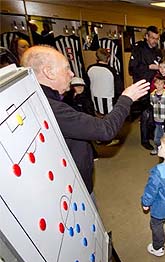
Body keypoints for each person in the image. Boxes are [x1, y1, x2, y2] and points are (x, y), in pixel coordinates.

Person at [22, 46, 149, 199]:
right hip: (73, 188)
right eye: (67, 68)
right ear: (49, 72)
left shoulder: (40, 99)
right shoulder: (51, 108)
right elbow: (105, 130)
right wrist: (126, 98)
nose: (72, 74)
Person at [128, 25, 161, 150]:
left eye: (156, 39)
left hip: (155, 86)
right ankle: (144, 139)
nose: (154, 41)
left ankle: (151, 134)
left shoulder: (157, 51)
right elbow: (132, 69)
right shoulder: (138, 48)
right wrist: (149, 67)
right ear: (146, 36)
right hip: (142, 85)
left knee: (153, 113)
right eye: (152, 38)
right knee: (145, 114)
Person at [87, 48, 123, 115]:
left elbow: (87, 85)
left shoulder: (90, 68)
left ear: (97, 57)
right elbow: (119, 89)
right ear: (108, 58)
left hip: (95, 102)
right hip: (110, 103)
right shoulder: (112, 71)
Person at [150, 75, 165, 155]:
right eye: (157, 83)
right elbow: (152, 105)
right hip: (156, 120)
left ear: (164, 84)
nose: (159, 85)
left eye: (161, 83)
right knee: (156, 138)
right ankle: (157, 148)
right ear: (154, 84)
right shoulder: (152, 95)